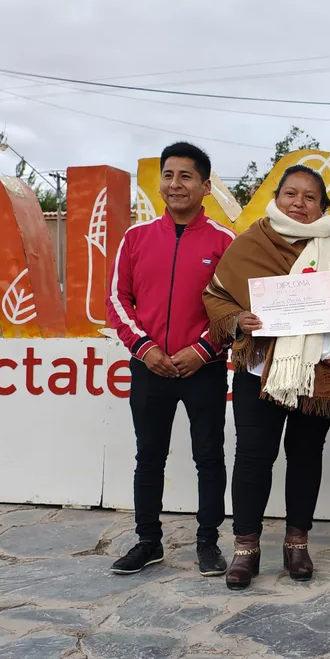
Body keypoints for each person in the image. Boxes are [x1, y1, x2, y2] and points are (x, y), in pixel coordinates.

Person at [203, 165, 330, 590]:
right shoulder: (251, 241)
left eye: (310, 197)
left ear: (323, 207)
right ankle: (245, 549)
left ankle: (297, 544)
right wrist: (238, 319)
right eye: (290, 193)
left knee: (306, 455)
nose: (299, 203)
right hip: (259, 369)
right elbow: (216, 295)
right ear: (276, 198)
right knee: (253, 457)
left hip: (318, 368)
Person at [107, 142, 235, 577]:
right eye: (168, 175)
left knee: (209, 458)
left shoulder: (225, 241)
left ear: (205, 186)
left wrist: (202, 351)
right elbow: (117, 300)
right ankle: (148, 542)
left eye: (186, 176)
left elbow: (235, 306)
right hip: (150, 368)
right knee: (149, 456)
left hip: (204, 370)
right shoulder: (135, 237)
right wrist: (145, 349)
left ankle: (208, 543)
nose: (175, 184)